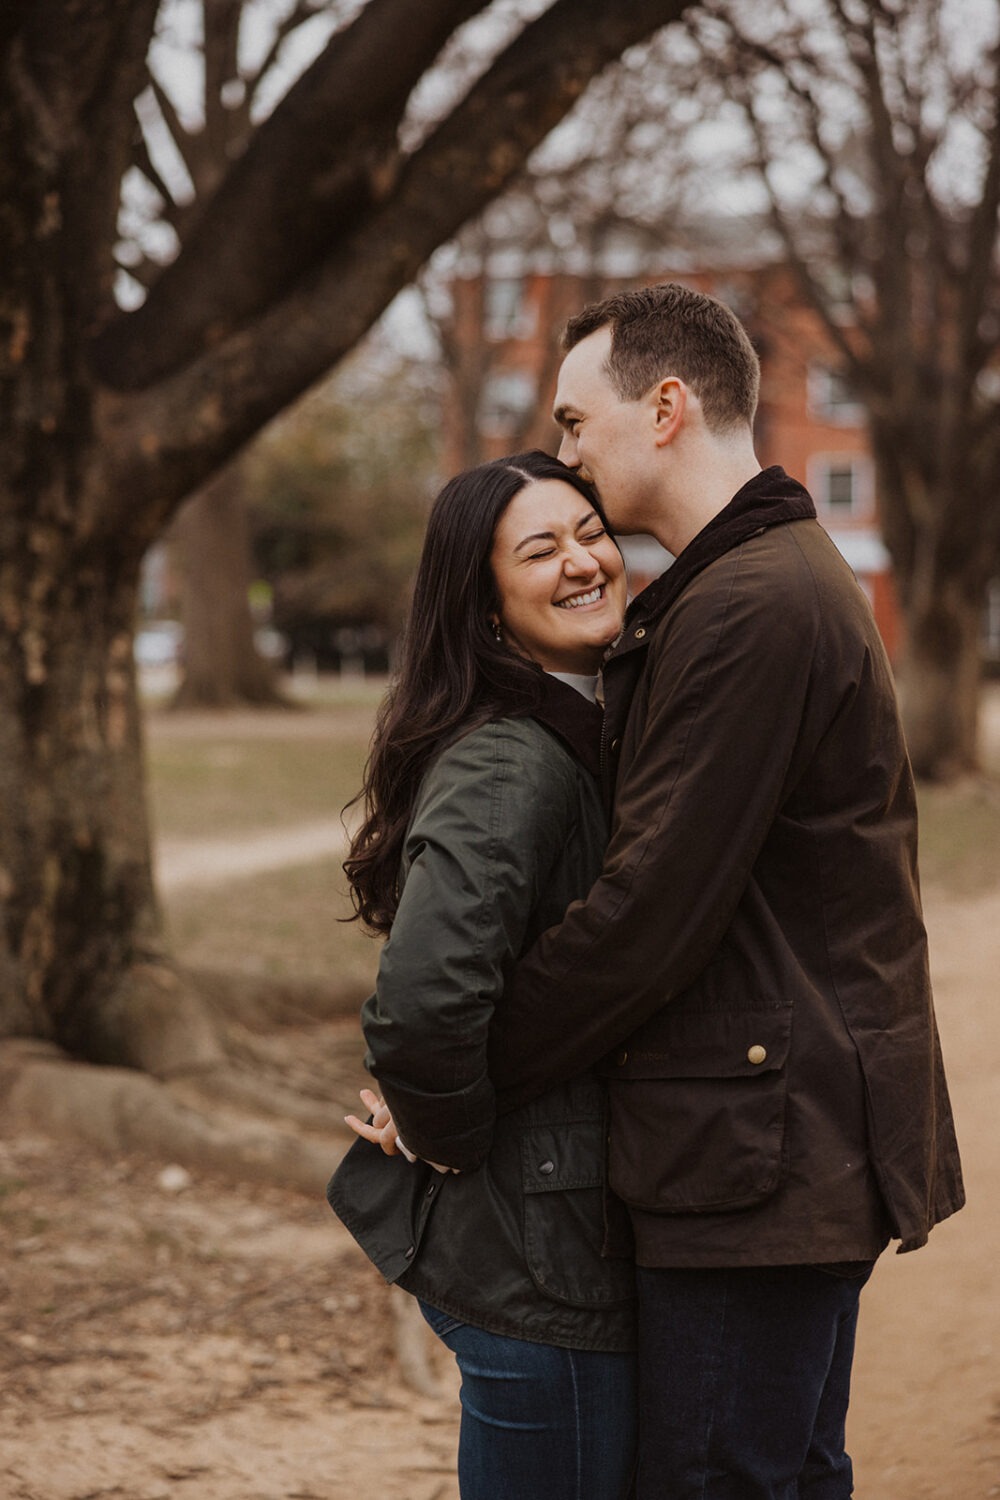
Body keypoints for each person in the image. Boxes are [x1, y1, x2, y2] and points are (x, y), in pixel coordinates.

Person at [479, 284, 966, 1499]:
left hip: (754, 1155)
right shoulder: (746, 583)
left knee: (719, 1480)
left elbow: (650, 912)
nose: (566, 454)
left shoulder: (751, 604)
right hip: (764, 1142)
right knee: (779, 1474)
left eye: (577, 421)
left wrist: (457, 1061)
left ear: (665, 406)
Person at [327, 450, 637, 1500]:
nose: (583, 561)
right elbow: (420, 1008)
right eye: (541, 550)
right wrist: (444, 1137)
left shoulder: (585, 724)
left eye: (590, 532)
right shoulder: (511, 759)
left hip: (546, 1232)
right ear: (485, 604)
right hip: (529, 1249)